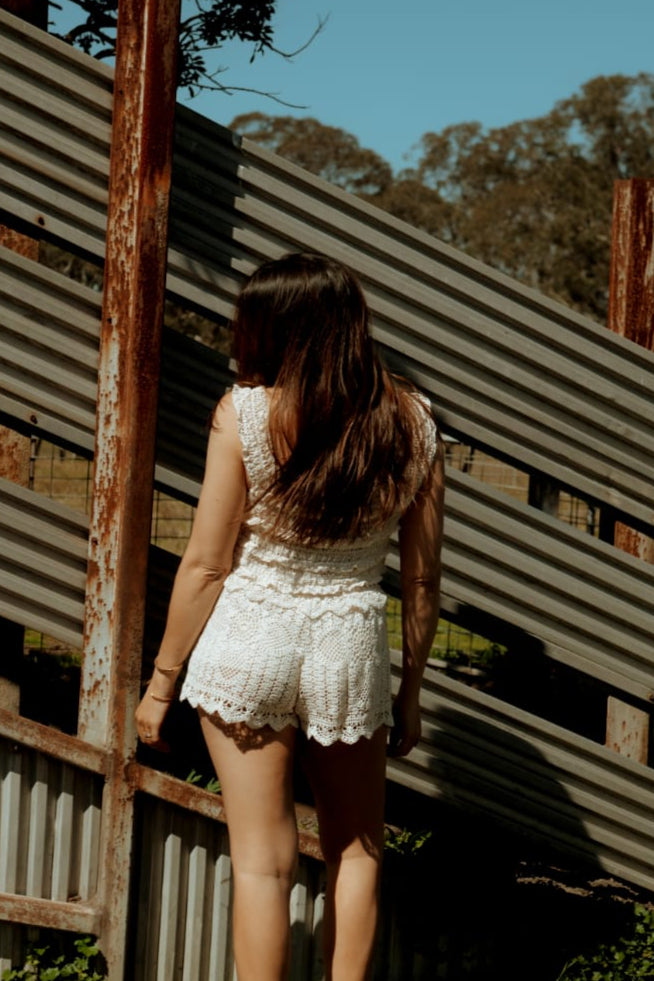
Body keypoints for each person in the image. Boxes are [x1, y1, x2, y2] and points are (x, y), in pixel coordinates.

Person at [135, 253, 444, 981]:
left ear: (279, 329)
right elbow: (423, 576)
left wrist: (160, 683)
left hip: (250, 638)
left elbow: (208, 562)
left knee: (262, 863)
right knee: (357, 848)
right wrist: (412, 689)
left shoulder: (244, 412)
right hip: (350, 645)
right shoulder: (415, 421)